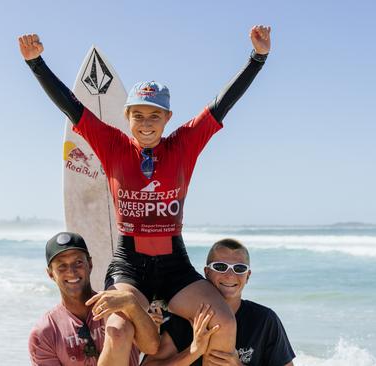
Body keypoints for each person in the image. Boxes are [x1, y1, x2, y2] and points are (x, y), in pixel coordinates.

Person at [19, 25, 271, 365]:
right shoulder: (113, 145)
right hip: (129, 264)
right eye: (138, 115)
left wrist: (257, 58)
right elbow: (72, 107)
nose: (146, 123)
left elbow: (221, 104)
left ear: (167, 117)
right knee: (119, 330)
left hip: (174, 264)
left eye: (155, 115)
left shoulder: (184, 144)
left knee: (222, 321)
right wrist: (36, 63)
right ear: (127, 117)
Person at [142, 238, 295, 366]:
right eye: (220, 267)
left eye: (239, 268)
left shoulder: (265, 320)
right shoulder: (183, 317)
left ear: (247, 276)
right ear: (206, 273)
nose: (229, 275)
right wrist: (193, 352)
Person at [28, 232, 159, 365]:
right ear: (50, 274)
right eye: (62, 266)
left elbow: (151, 347)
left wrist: (133, 305)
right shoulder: (45, 333)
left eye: (78, 262)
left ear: (89, 264)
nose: (71, 271)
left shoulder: (119, 307)